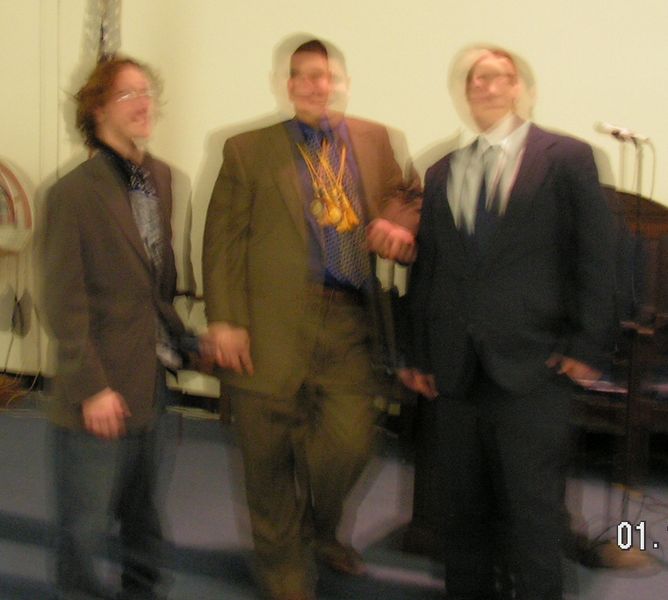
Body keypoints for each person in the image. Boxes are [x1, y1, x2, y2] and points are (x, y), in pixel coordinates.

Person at [203, 39, 420, 600]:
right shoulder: (247, 150)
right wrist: (224, 321)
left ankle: (319, 531)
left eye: (323, 75)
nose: (313, 85)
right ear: (287, 84)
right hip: (269, 322)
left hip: (348, 319)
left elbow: (407, 195)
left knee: (350, 444)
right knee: (267, 454)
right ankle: (283, 569)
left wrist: (397, 222)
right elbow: (222, 242)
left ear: (339, 81)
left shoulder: (374, 140)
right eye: (301, 75)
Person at [399, 45, 615, 599]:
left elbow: (596, 256)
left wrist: (587, 344)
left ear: (521, 89)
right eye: (475, 80)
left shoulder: (567, 159)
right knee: (461, 515)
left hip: (534, 365)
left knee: (532, 515)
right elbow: (430, 268)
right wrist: (418, 352)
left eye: (498, 77)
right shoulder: (442, 170)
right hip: (456, 369)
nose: (485, 87)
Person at [42, 56, 198, 600]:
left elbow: (158, 285)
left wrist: (189, 342)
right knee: (84, 525)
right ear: (98, 109)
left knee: (144, 515)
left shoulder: (160, 179)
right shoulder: (71, 194)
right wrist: (92, 387)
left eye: (147, 91)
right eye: (129, 94)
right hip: (99, 387)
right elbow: (63, 302)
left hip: (149, 378)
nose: (144, 103)